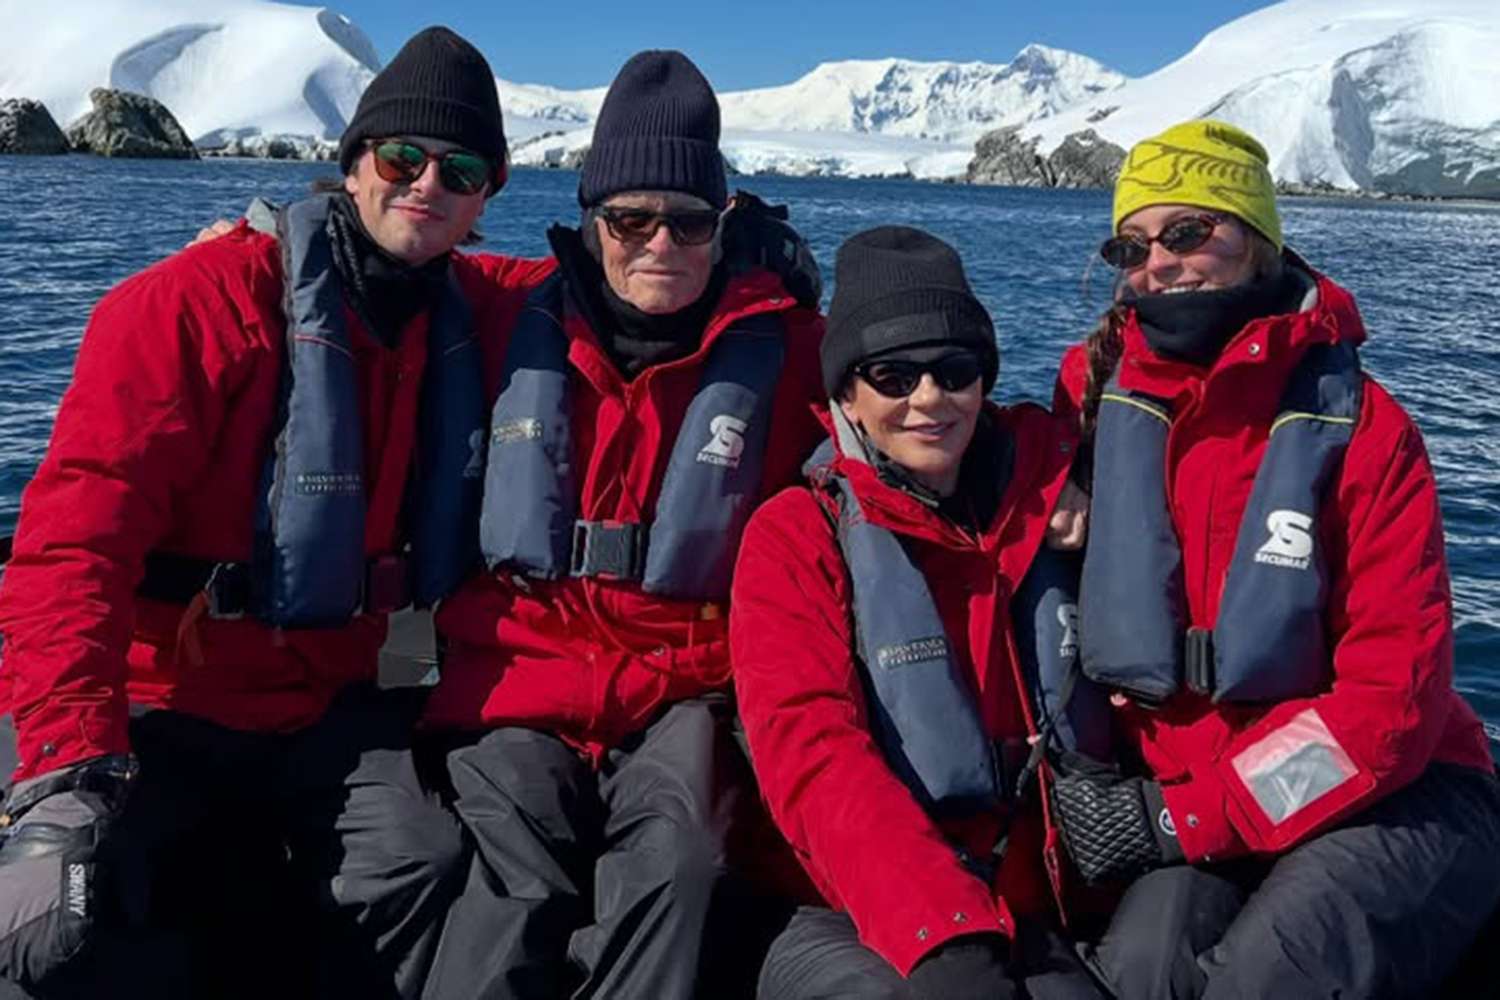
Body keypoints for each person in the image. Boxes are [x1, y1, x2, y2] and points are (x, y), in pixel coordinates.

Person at [0, 27, 551, 1000]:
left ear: (484, 199)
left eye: (460, 171)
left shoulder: (470, 306)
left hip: (329, 702)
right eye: (403, 157)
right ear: (354, 162)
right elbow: (72, 549)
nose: (427, 184)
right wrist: (64, 771)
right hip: (162, 700)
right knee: (72, 920)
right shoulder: (190, 306)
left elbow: (625, 281)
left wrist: (750, 260)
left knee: (422, 861)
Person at [1047, 119, 1500, 998]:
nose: (1160, 264)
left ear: (1256, 236)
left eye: (1187, 232)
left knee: (1268, 976)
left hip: (1391, 792)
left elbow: (1392, 706)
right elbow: (937, 460)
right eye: (1132, 246)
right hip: (1197, 796)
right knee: (1140, 970)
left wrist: (1181, 817)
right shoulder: (1090, 404)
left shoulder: (1366, 431)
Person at [413, 49, 827, 1000]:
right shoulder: (503, 308)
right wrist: (265, 240)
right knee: (510, 873)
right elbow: (381, 257)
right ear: (591, 220)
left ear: (725, 223)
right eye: (631, 219)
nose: (659, 244)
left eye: (688, 221)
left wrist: (1054, 473)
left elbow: (917, 388)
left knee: (686, 864)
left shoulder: (793, 344)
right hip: (518, 673)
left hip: (685, 683)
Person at [731, 226, 1110, 1000]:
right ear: (847, 396)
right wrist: (943, 931)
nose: (929, 399)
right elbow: (812, 751)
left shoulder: (1051, 498)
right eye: (893, 376)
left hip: (1047, 900)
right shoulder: (794, 537)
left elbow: (1150, 354)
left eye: (955, 371)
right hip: (856, 911)